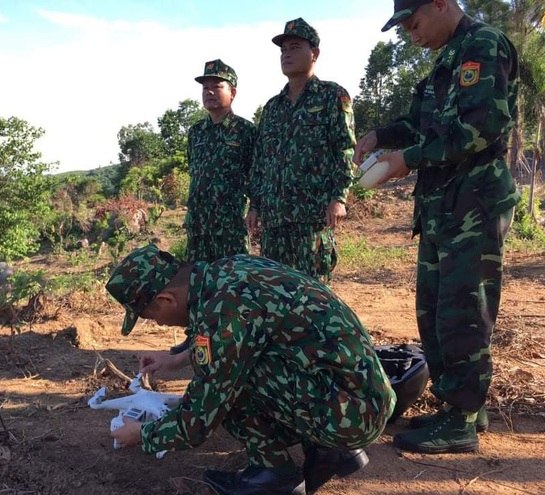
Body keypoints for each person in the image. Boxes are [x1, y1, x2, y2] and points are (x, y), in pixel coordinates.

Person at [354, 0, 520, 454]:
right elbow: (419, 124)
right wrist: (383, 136)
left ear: (442, 4)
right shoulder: (443, 62)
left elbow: (480, 127)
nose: (412, 34)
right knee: (434, 310)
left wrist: (405, 159)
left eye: (414, 23)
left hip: (474, 202)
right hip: (440, 206)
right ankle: (460, 407)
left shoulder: (483, 46)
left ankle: (461, 420)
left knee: (463, 311)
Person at [106, 244, 396, 495]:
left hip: (354, 415)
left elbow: (198, 419)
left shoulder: (223, 308)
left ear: (166, 299)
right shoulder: (225, 273)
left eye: (151, 316)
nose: (159, 324)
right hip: (356, 391)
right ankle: (329, 451)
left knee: (227, 387)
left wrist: (143, 435)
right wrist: (178, 358)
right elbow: (233, 329)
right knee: (234, 363)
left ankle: (273, 475)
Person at [246, 18, 355, 283]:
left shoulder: (332, 96)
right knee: (276, 293)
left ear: (314, 53)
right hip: (274, 222)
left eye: (294, 47)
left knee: (313, 294)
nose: (286, 54)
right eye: (283, 50)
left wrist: (338, 197)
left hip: (312, 219)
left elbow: (345, 149)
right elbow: (261, 161)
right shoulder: (272, 107)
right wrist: (255, 205)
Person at [186, 59, 256, 263]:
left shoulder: (246, 131)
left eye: (217, 86)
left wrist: (254, 209)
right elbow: (194, 172)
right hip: (197, 227)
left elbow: (256, 176)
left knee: (232, 286)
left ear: (232, 92)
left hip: (230, 227)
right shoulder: (196, 132)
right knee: (197, 285)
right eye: (205, 88)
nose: (209, 92)